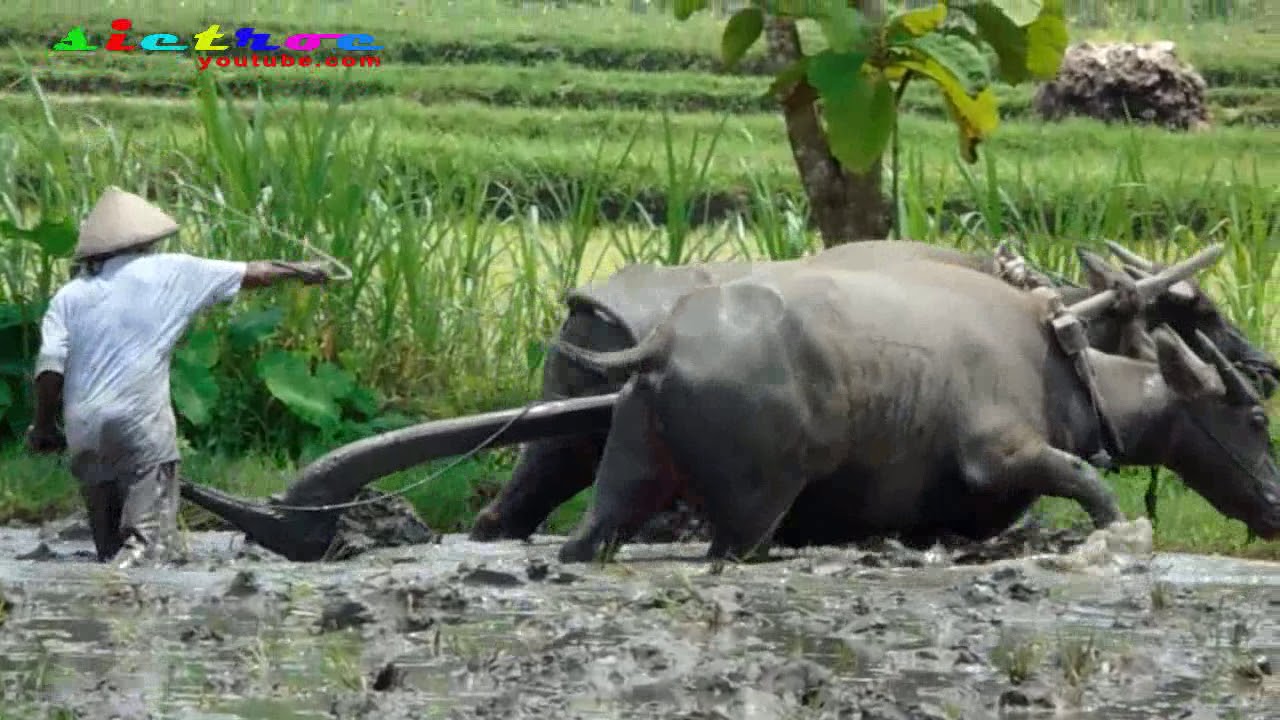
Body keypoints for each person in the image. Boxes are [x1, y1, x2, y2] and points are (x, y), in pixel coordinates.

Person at [24, 186, 333, 569]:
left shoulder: (69, 295)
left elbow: (50, 366)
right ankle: (111, 591)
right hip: (139, 425)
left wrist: (42, 427)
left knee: (108, 547)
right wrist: (306, 271)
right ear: (147, 239)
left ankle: (102, 613)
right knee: (145, 550)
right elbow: (255, 272)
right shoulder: (172, 270)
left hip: (84, 430)